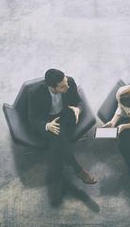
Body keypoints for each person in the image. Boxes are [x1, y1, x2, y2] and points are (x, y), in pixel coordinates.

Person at [28, 68, 97, 205]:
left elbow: (79, 101)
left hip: (64, 116)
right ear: (52, 87)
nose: (68, 86)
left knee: (57, 139)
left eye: (66, 82)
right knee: (57, 137)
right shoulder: (35, 93)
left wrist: (78, 109)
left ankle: (58, 180)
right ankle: (77, 170)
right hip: (46, 121)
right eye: (63, 86)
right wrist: (47, 125)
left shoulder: (69, 81)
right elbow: (32, 119)